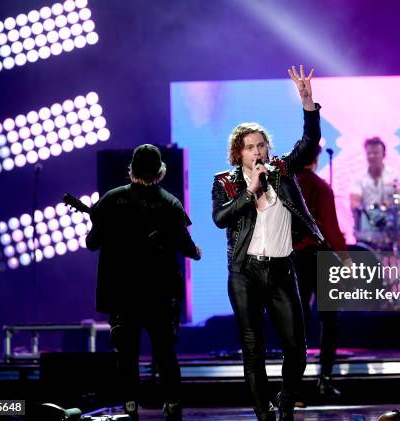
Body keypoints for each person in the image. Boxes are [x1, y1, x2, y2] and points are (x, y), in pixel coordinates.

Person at [211, 65, 322, 421]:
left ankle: (286, 400)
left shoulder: (282, 171)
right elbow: (220, 218)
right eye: (250, 147)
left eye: (261, 146)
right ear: (238, 153)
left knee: (297, 350)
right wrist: (250, 191)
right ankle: (263, 415)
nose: (257, 152)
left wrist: (307, 104)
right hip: (244, 273)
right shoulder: (225, 183)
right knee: (253, 349)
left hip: (280, 269)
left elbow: (307, 146)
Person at [86, 144, 201, 421]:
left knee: (126, 353)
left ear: (131, 170)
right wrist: (196, 251)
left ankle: (130, 406)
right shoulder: (171, 203)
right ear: (160, 171)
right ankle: (172, 404)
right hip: (159, 292)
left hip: (122, 292)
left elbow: (92, 243)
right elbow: (186, 247)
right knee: (164, 351)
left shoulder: (111, 200)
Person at [294, 145, 352, 400]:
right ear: (316, 160)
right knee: (328, 319)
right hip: (321, 256)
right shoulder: (321, 187)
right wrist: (346, 257)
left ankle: (294, 384)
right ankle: (324, 379)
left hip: (293, 258)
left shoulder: (285, 185)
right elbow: (331, 226)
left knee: (298, 321)